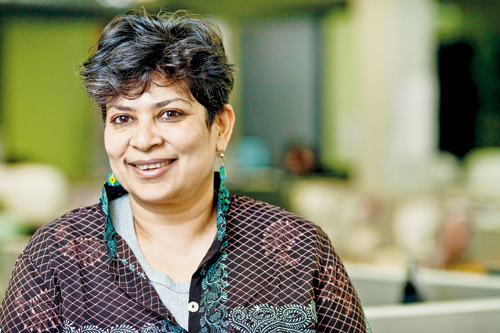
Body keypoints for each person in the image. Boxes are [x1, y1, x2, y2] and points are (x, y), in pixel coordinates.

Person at [0, 9, 370, 333]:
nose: (143, 140)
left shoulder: (300, 249)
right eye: (123, 118)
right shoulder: (57, 257)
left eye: (169, 113)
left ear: (221, 126)